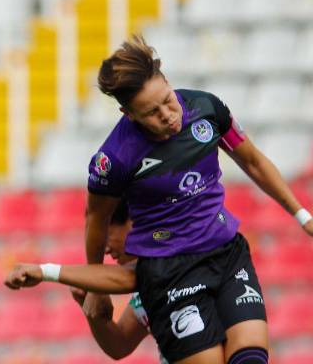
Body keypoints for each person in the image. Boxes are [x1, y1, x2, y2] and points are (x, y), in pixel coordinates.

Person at [83, 35, 313, 364]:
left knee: (251, 358)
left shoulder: (206, 109)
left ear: (167, 81)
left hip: (225, 254)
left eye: (167, 99)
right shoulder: (115, 158)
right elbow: (96, 219)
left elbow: (253, 161)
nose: (167, 115)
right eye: (151, 112)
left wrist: (302, 215)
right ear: (128, 114)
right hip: (170, 272)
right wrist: (96, 285)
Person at [5, 200, 168, 363]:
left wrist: (46, 271)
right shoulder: (147, 288)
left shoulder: (171, 258)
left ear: (133, 221)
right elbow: (120, 345)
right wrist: (87, 302)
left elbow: (130, 276)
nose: (105, 249)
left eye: (107, 236)